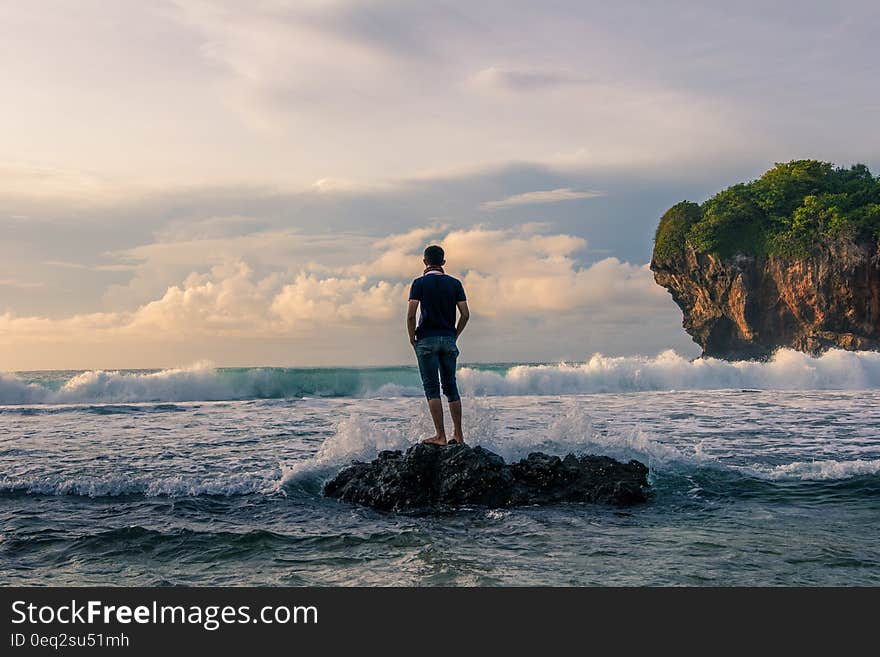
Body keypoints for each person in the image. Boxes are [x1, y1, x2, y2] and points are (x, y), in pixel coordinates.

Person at [407, 245, 470, 445]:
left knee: (432, 388)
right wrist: (454, 335)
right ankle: (458, 435)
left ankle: (440, 435)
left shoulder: (419, 283)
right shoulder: (455, 284)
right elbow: (465, 314)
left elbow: (410, 315)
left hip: (426, 339)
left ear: (425, 262)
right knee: (451, 388)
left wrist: (412, 338)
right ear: (443, 263)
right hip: (448, 339)